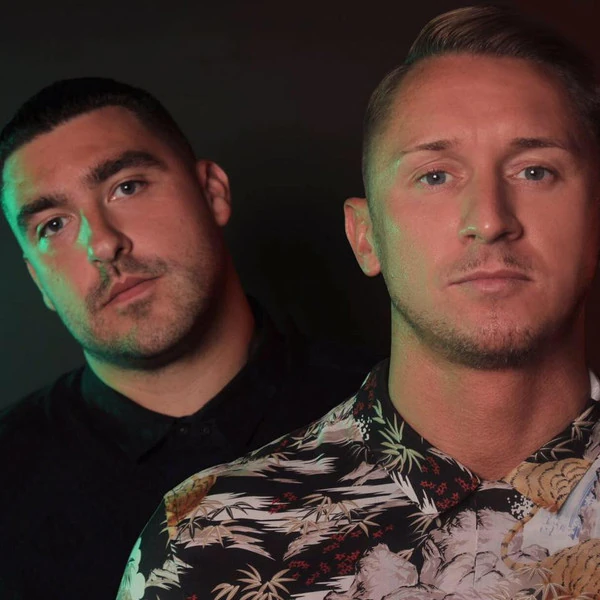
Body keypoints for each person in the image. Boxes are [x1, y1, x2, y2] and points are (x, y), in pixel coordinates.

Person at [117, 5, 600, 599]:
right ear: (365, 236)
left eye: (535, 171)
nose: (489, 219)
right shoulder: (207, 544)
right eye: (435, 176)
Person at [0, 78, 374, 600]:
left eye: (127, 187)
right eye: (53, 224)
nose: (102, 243)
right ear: (38, 280)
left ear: (212, 192)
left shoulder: (402, 407)